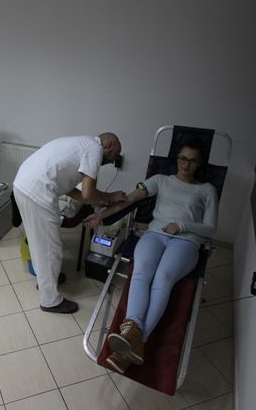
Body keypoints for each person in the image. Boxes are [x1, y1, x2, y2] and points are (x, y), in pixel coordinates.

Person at [83, 140, 218, 373]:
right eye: (183, 158)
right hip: (155, 235)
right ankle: (134, 336)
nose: (186, 164)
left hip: (187, 241)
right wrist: (101, 215)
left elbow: (211, 229)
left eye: (193, 160)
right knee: (141, 273)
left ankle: (133, 341)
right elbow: (128, 200)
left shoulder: (207, 190)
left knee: (163, 277)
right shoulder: (160, 180)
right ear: (176, 159)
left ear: (200, 164)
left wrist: (183, 225)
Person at [13, 133, 125, 314]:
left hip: (23, 185)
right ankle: (50, 301)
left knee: (38, 243)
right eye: (115, 155)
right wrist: (111, 196)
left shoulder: (82, 143)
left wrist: (103, 200)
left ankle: (47, 281)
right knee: (50, 248)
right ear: (110, 144)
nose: (113, 161)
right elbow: (88, 193)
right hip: (37, 192)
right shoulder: (95, 150)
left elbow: (74, 191)